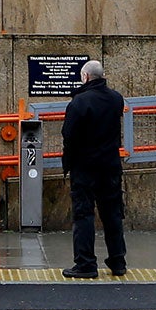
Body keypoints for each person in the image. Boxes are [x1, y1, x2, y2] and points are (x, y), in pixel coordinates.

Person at [60, 58, 127, 278]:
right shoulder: (116, 99)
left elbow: (68, 135)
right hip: (110, 165)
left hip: (85, 167)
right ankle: (118, 262)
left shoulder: (79, 103)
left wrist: (68, 163)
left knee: (84, 214)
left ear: (86, 77)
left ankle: (86, 263)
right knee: (112, 214)